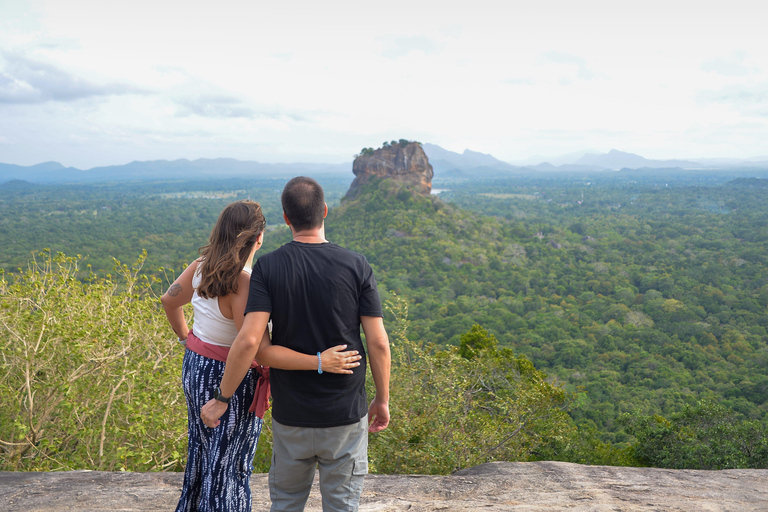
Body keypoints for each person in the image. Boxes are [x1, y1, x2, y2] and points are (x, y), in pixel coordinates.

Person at [201, 177, 391, 512]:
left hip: (292, 415)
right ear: (325, 212)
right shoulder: (356, 264)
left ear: (286, 218)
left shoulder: (268, 267)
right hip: (345, 413)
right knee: (343, 505)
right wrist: (383, 398)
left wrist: (222, 398)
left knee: (287, 503)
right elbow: (377, 343)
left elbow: (253, 344)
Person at [163, 199, 361, 512]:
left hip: (195, 366)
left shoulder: (200, 266)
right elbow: (248, 345)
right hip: (228, 376)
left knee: (202, 452)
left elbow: (168, 301)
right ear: (259, 237)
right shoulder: (243, 280)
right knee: (230, 461)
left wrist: (187, 338)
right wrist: (319, 362)